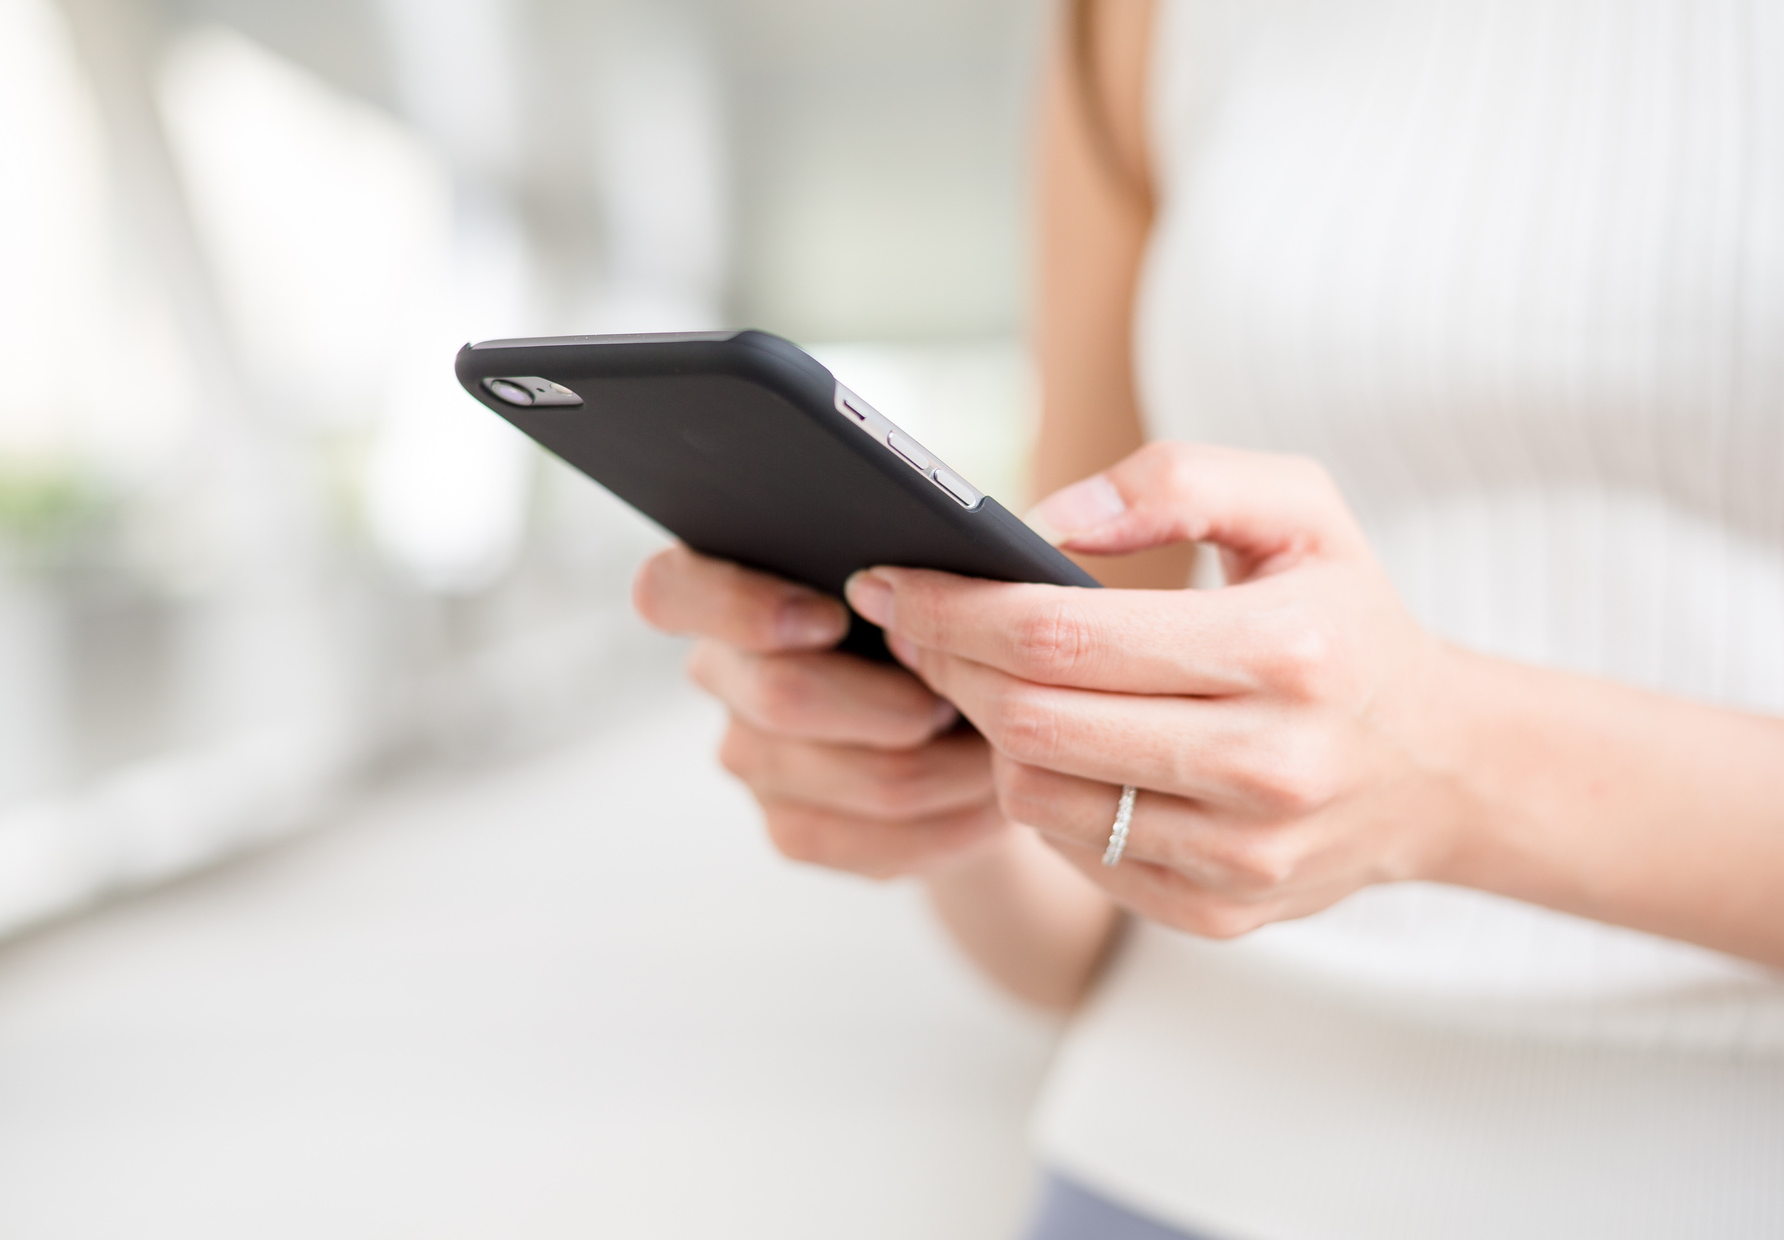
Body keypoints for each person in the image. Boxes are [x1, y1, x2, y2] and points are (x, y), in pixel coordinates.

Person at [634, 1, 1784, 1235]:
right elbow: (1066, 938)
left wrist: (1448, 769)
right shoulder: (1132, 22)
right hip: (1155, 1172)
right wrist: (948, 755)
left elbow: (1404, 761)